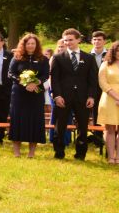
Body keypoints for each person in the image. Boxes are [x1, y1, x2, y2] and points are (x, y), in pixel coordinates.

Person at [50, 28, 97, 160]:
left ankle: (81, 153)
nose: (68, 42)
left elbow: (93, 80)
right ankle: (59, 152)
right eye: (65, 40)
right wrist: (57, 96)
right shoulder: (58, 57)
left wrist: (91, 96)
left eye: (71, 40)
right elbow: (55, 79)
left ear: (78, 40)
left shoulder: (89, 58)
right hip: (63, 97)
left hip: (83, 98)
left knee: (82, 127)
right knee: (60, 126)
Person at [8, 33, 49, 158]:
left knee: (35, 120)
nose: (30, 46)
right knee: (18, 120)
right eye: (28, 43)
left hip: (35, 94)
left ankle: (31, 153)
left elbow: (46, 75)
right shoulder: (17, 57)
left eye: (33, 43)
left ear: (37, 45)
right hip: (19, 94)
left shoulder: (43, 59)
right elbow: (11, 73)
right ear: (24, 45)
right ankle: (17, 152)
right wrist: (23, 82)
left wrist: (36, 83)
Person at [97, 40, 119, 164]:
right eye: (118, 50)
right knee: (110, 129)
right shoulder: (105, 64)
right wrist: (117, 98)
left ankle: (118, 157)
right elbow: (102, 83)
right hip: (109, 99)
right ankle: (111, 157)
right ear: (113, 51)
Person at [89, 30, 108, 148]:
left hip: (107, 89)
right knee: (95, 113)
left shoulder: (110, 55)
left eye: (99, 39)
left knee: (106, 113)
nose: (97, 42)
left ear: (104, 41)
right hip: (91, 89)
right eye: (95, 39)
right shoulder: (86, 55)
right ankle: (97, 139)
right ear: (91, 41)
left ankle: (107, 137)